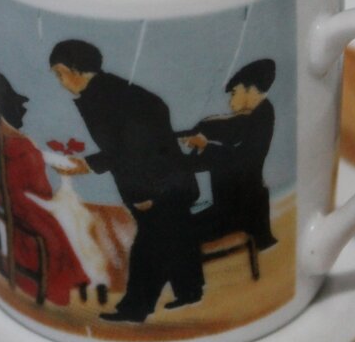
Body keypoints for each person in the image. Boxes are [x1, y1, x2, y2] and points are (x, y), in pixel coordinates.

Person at [48, 40, 203, 322]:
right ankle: (190, 291)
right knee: (176, 235)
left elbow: (135, 148)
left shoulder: (109, 98)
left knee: (149, 247)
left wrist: (143, 193)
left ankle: (137, 307)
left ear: (76, 70)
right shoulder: (109, 92)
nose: (60, 81)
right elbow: (126, 145)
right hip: (168, 180)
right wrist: (88, 164)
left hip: (159, 184)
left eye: (60, 73)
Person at [0, 68, 89, 306]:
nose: (24, 111)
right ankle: (62, 287)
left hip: (25, 198)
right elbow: (30, 175)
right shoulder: (14, 141)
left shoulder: (9, 135)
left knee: (67, 220)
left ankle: (76, 283)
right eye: (20, 107)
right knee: (61, 227)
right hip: (24, 202)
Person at [178, 58, 278, 250]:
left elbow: (244, 159)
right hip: (232, 205)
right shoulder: (254, 117)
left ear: (250, 90)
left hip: (240, 208)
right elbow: (224, 129)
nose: (231, 102)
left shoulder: (262, 115)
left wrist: (205, 146)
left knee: (178, 234)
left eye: (234, 93)